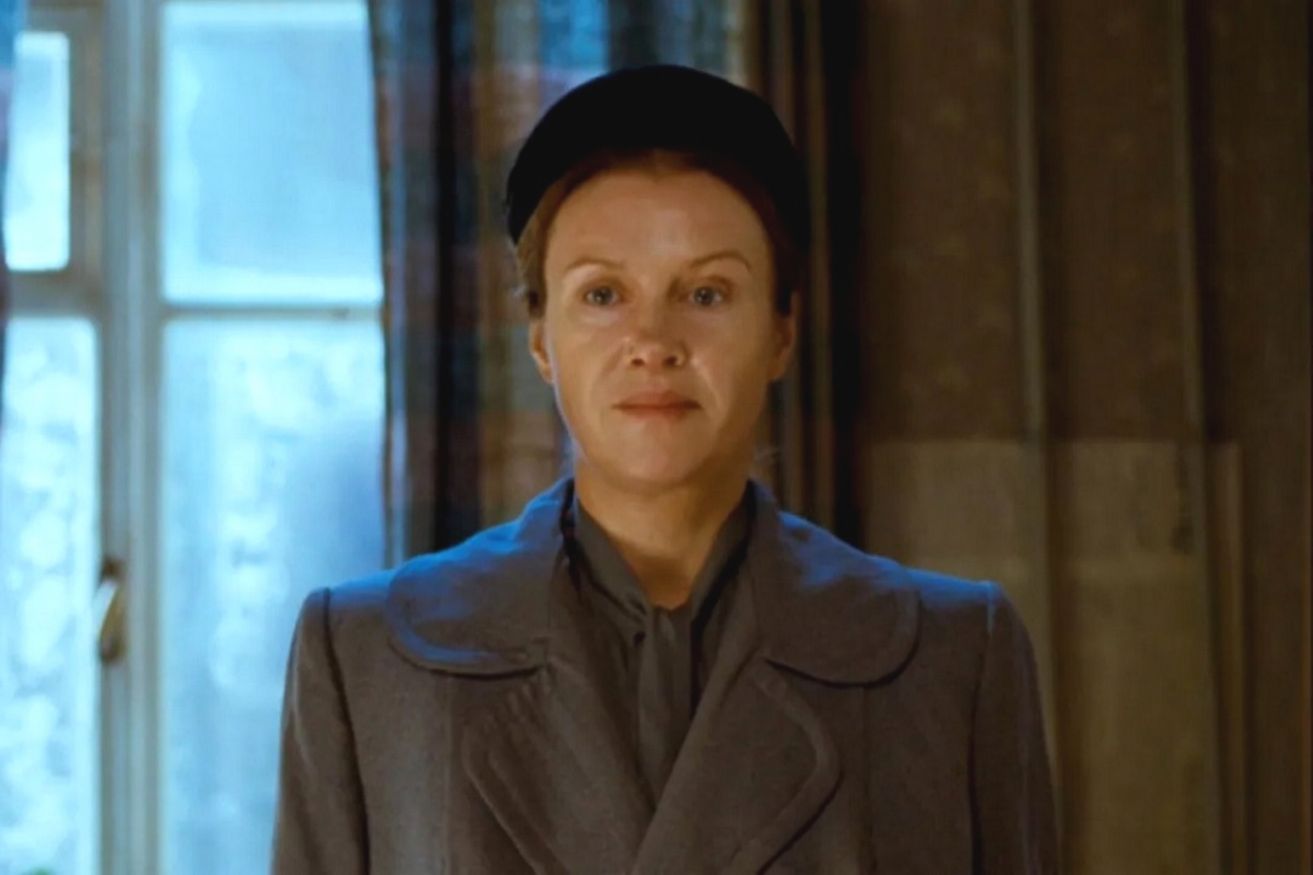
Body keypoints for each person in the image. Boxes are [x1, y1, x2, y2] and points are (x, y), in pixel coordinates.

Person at [272, 64, 1058, 874]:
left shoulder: (951, 656)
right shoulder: (367, 658)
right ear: (540, 338)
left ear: (781, 332)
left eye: (707, 293)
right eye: (602, 294)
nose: (652, 341)